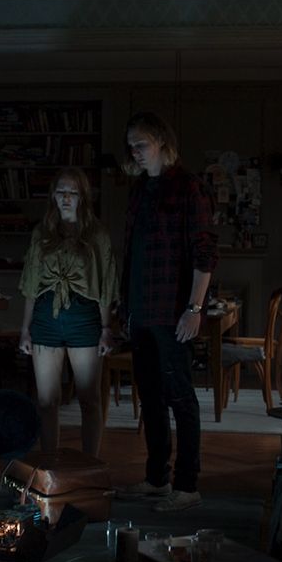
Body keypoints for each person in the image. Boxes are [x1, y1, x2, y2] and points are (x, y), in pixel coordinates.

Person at [115, 112, 218, 512]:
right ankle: (157, 478)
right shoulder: (140, 189)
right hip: (141, 312)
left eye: (141, 144)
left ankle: (187, 485)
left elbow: (204, 254)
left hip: (172, 313)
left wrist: (194, 308)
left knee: (180, 398)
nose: (135, 152)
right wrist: (126, 308)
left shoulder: (189, 188)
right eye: (131, 146)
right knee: (151, 398)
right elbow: (132, 253)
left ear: (160, 141)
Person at [17, 167, 119, 457]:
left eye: (72, 192)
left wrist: (106, 328)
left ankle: (90, 464)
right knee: (47, 401)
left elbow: (105, 285)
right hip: (46, 318)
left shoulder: (97, 235)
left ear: (82, 197)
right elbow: (31, 285)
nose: (65, 198)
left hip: (84, 318)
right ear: (53, 195)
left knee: (89, 399)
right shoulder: (42, 232)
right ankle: (50, 464)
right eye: (61, 191)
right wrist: (25, 329)